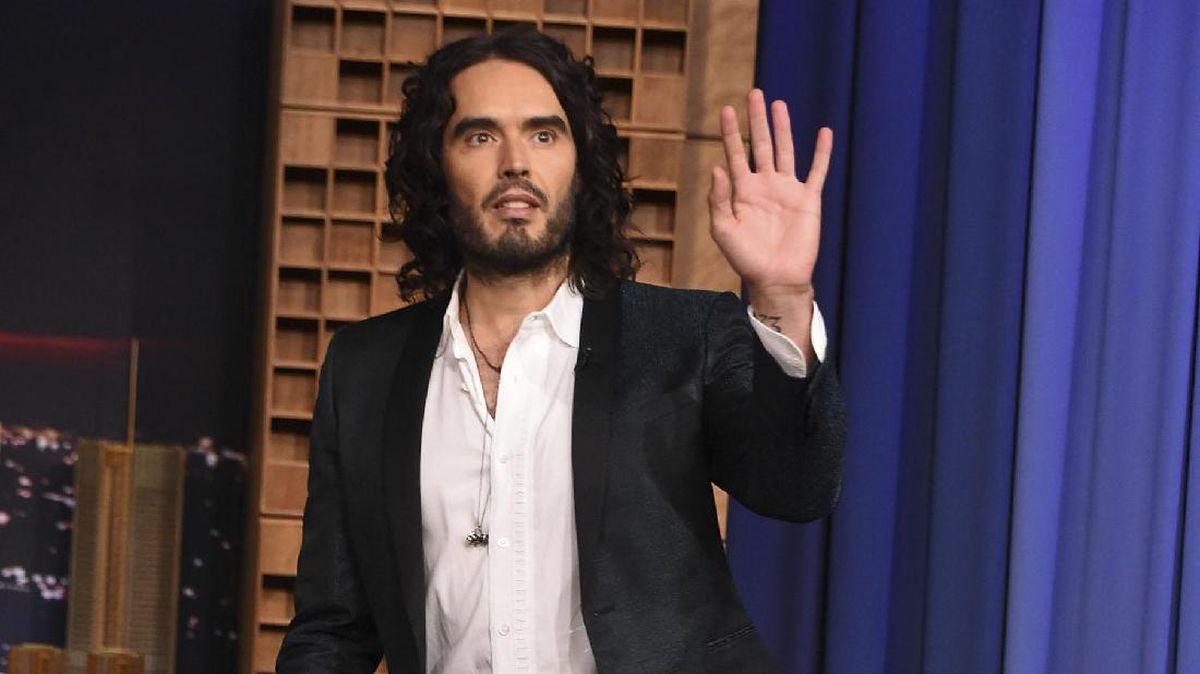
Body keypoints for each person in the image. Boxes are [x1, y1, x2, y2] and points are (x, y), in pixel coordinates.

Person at [276, 27, 845, 674]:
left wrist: (782, 295)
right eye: (480, 136)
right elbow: (333, 630)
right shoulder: (364, 369)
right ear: (436, 167)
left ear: (580, 164)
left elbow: (797, 488)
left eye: (543, 135)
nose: (515, 162)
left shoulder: (683, 334)